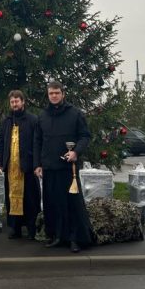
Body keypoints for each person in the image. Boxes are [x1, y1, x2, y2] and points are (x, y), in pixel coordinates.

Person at [33, 81, 93, 253]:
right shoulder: (42, 116)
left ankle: (75, 238)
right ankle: (57, 236)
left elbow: (85, 136)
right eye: (51, 93)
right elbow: (37, 141)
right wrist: (37, 164)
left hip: (68, 169)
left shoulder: (75, 113)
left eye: (57, 93)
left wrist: (76, 152)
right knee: (52, 204)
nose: (54, 96)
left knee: (72, 205)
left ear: (63, 94)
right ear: (48, 95)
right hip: (49, 168)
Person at [0, 90, 40, 240]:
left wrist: (37, 164)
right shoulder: (7, 121)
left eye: (17, 101)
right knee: (12, 197)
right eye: (12, 102)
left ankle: (32, 229)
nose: (14, 104)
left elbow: (37, 143)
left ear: (23, 102)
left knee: (30, 199)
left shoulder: (33, 120)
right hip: (11, 168)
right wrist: (0, 162)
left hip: (28, 166)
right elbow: (1, 143)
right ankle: (15, 229)